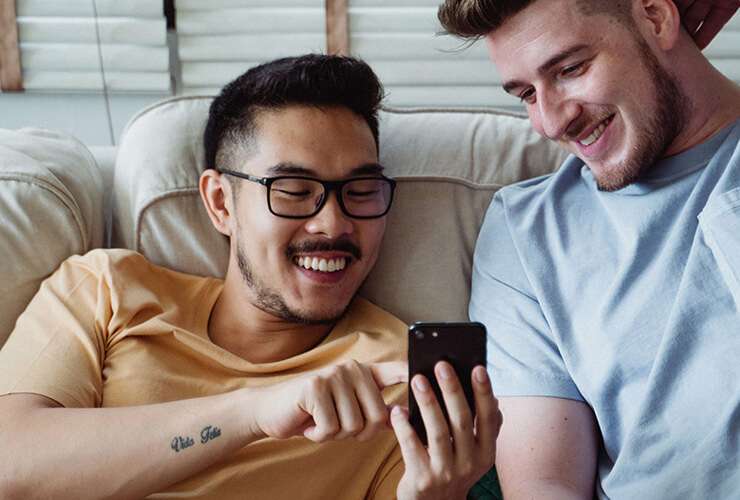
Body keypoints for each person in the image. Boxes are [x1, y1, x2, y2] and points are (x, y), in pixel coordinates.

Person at [0, 55, 500, 499]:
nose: (334, 223)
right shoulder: (106, 288)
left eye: (361, 189)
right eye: (293, 189)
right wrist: (254, 414)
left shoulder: (401, 378)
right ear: (221, 203)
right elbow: (11, 463)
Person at [437, 0, 740, 498]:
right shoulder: (527, 233)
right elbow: (544, 485)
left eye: (570, 69)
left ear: (656, 17)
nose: (552, 123)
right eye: (526, 95)